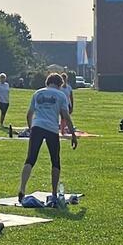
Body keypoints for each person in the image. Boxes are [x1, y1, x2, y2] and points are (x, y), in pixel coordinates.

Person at [19, 72, 77, 203]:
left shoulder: (37, 93)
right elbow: (65, 116)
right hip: (51, 128)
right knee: (55, 161)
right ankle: (54, 193)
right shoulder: (61, 95)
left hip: (37, 126)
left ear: (47, 82)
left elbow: (29, 114)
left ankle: (22, 189)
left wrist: (31, 128)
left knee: (30, 159)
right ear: (59, 84)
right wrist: (73, 134)